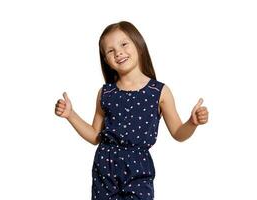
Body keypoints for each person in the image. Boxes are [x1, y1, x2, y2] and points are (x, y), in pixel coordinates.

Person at [55, 21, 209, 200]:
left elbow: (178, 133)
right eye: (110, 51)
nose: (118, 52)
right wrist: (70, 115)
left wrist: (192, 123)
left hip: (138, 168)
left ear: (139, 44)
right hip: (105, 165)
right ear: (106, 60)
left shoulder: (159, 92)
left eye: (123, 44)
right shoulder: (106, 92)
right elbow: (95, 136)